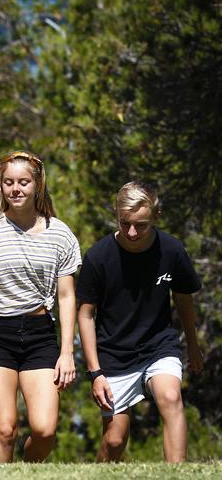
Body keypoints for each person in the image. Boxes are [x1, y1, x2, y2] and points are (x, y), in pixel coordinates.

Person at [0, 150, 80, 462]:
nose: (16, 189)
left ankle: (26, 471)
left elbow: (67, 297)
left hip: (41, 335)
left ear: (37, 185)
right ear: (0, 186)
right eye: (9, 183)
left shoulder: (61, 233)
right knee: (5, 430)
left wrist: (67, 352)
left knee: (44, 431)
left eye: (24, 182)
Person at [76, 181, 204, 463]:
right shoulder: (98, 257)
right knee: (114, 439)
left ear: (156, 217)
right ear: (116, 215)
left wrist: (192, 345)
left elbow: (184, 300)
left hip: (159, 345)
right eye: (125, 223)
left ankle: (176, 473)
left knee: (170, 397)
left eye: (141, 225)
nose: (132, 232)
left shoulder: (171, 251)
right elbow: (85, 315)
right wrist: (95, 373)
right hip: (114, 353)